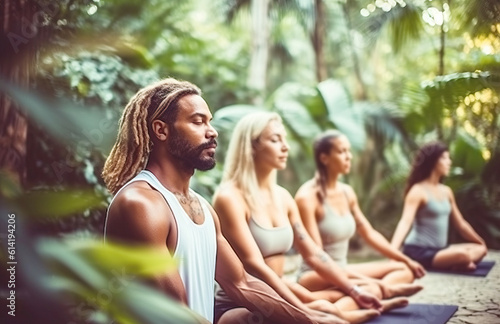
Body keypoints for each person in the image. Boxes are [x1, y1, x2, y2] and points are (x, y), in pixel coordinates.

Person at [102, 78, 345, 324]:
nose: (212, 131)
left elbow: (242, 283)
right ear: (161, 130)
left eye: (210, 121)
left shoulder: (202, 208)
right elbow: (177, 313)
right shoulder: (141, 204)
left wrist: (310, 319)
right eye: (198, 121)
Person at [213, 112, 413, 324]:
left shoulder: (283, 197)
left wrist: (354, 290)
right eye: (275, 139)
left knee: (331, 305)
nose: (285, 146)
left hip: (278, 291)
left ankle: (345, 313)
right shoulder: (229, 198)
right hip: (242, 303)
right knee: (315, 313)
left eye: (284, 139)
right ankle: (343, 316)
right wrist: (304, 312)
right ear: (251, 146)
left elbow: (314, 253)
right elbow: (255, 266)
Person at [294, 130, 426, 297]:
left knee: (404, 269)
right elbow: (318, 257)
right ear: (324, 158)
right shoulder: (307, 198)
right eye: (342, 151)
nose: (349, 156)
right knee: (370, 285)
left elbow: (369, 233)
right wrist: (369, 281)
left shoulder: (347, 192)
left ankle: (373, 292)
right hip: (316, 276)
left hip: (344, 269)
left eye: (349, 151)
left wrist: (406, 260)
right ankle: (377, 290)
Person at [391, 141, 488, 271]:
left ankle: (459, 262)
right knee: (462, 255)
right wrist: (392, 253)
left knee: (480, 249)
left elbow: (461, 224)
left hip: (441, 250)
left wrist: (481, 242)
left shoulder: (446, 191)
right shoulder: (418, 191)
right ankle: (461, 261)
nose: (449, 162)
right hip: (418, 251)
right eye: (445, 158)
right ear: (433, 161)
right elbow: (405, 222)